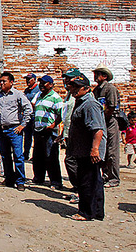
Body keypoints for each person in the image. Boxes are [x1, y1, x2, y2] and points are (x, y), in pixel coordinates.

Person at [67, 73, 106, 221]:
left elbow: (97, 129)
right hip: (83, 149)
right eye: (72, 86)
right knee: (94, 181)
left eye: (77, 87)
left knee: (87, 181)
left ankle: (86, 213)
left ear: (86, 88)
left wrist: (94, 149)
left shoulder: (89, 104)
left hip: (89, 150)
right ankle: (95, 212)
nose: (73, 90)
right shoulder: (81, 101)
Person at [0, 72, 33, 191]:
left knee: (18, 156)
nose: (1, 83)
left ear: (11, 82)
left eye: (4, 81)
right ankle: (9, 179)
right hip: (2, 129)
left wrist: (23, 125)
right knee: (5, 155)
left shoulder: (18, 94)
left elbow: (28, 109)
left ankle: (20, 181)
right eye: (1, 81)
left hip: (14, 130)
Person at [31, 75, 64, 189]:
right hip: (38, 130)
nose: (41, 85)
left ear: (50, 84)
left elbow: (61, 114)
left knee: (51, 156)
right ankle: (39, 178)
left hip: (49, 131)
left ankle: (56, 181)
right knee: (38, 156)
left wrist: (53, 125)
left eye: (44, 83)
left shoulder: (56, 98)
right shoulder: (39, 95)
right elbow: (33, 105)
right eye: (40, 83)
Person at [92, 63, 120, 188]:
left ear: (104, 76)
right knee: (102, 149)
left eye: (97, 74)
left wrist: (103, 120)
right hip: (101, 123)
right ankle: (105, 175)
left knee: (111, 151)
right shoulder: (96, 90)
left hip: (110, 122)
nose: (95, 76)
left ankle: (114, 178)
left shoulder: (110, 89)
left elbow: (111, 107)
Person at [58, 67, 83, 204]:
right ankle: (77, 189)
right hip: (69, 133)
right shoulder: (70, 94)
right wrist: (63, 133)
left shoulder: (81, 95)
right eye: (65, 78)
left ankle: (81, 191)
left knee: (74, 163)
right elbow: (66, 116)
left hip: (77, 135)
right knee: (70, 162)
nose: (66, 81)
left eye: (69, 78)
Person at [23, 73, 40, 161]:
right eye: (26, 79)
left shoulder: (38, 90)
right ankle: (26, 154)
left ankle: (35, 155)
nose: (27, 81)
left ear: (34, 79)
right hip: (28, 117)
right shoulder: (26, 91)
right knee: (27, 136)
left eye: (29, 79)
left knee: (36, 137)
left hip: (35, 116)